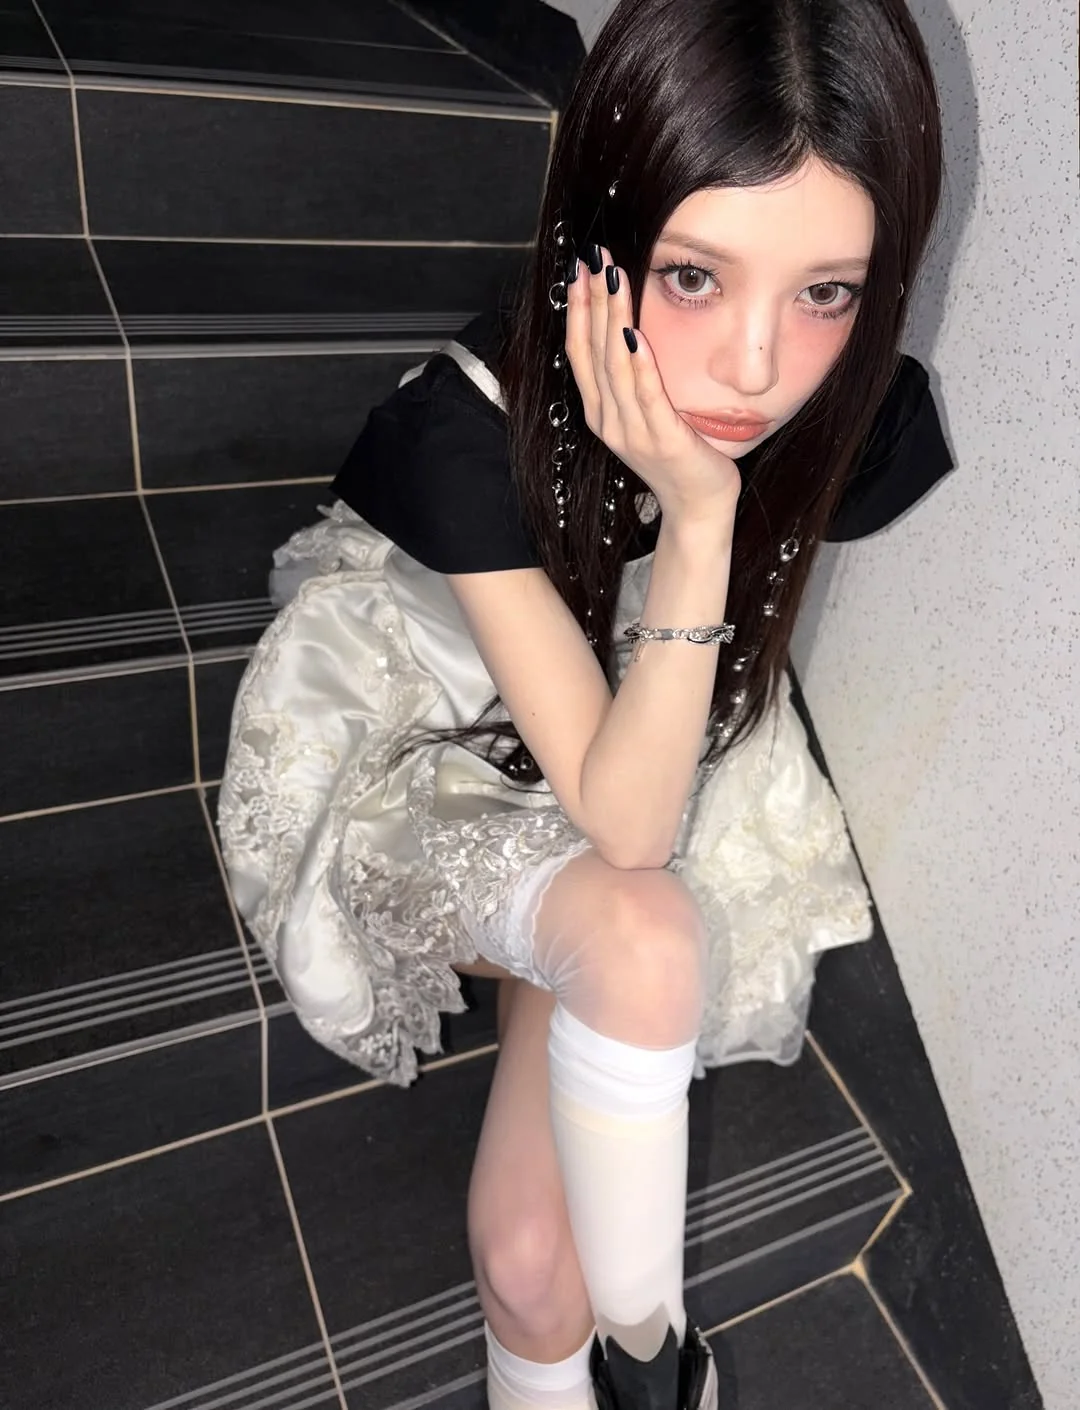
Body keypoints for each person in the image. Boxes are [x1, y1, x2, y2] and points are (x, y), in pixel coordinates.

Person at [219, 0, 951, 1405]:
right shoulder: (470, 423)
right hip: (439, 738)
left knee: (527, 1261)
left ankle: (637, 1360)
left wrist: (701, 511)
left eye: (826, 292)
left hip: (640, 736)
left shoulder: (846, 403)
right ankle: (656, 1367)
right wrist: (700, 515)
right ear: (600, 243)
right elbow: (623, 827)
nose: (754, 367)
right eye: (695, 276)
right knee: (639, 924)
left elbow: (633, 789)